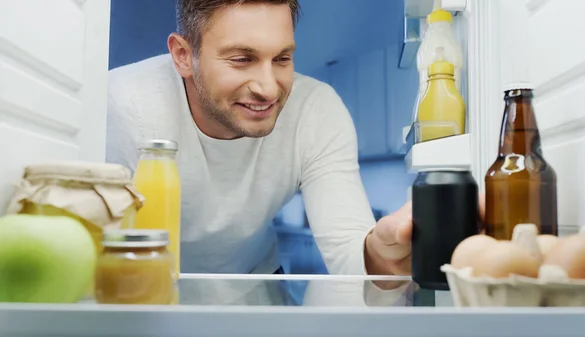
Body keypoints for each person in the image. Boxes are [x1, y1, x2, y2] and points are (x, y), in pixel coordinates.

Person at [106, 0, 415, 276]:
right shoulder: (123, 104)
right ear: (184, 55)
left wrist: (379, 253)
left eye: (282, 59)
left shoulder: (316, 110)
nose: (268, 89)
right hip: (147, 278)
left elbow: (350, 254)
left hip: (256, 277)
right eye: (242, 59)